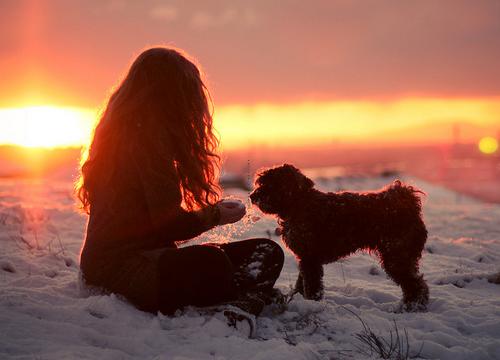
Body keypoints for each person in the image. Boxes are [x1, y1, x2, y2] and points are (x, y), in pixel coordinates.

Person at [76, 47, 284, 316]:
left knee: (265, 251)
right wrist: (216, 214)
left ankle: (238, 295)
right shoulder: (146, 144)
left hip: (123, 265)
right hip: (122, 272)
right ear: (172, 97)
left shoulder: (122, 137)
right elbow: (169, 225)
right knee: (213, 263)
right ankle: (242, 298)